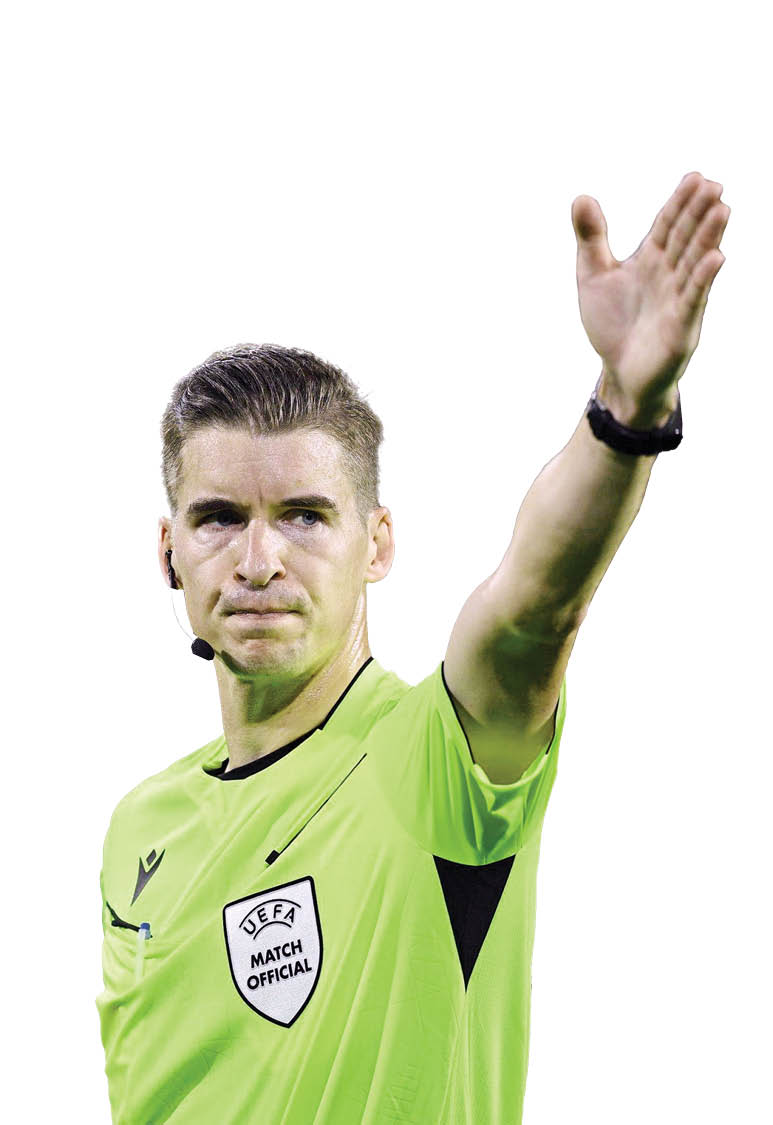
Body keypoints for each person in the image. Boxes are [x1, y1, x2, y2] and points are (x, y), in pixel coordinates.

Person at [95, 170, 730, 1124]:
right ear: (167, 552)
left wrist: (623, 415)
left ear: (377, 544)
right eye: (219, 517)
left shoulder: (430, 760)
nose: (259, 561)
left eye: (304, 516)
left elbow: (532, 611)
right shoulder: (137, 826)